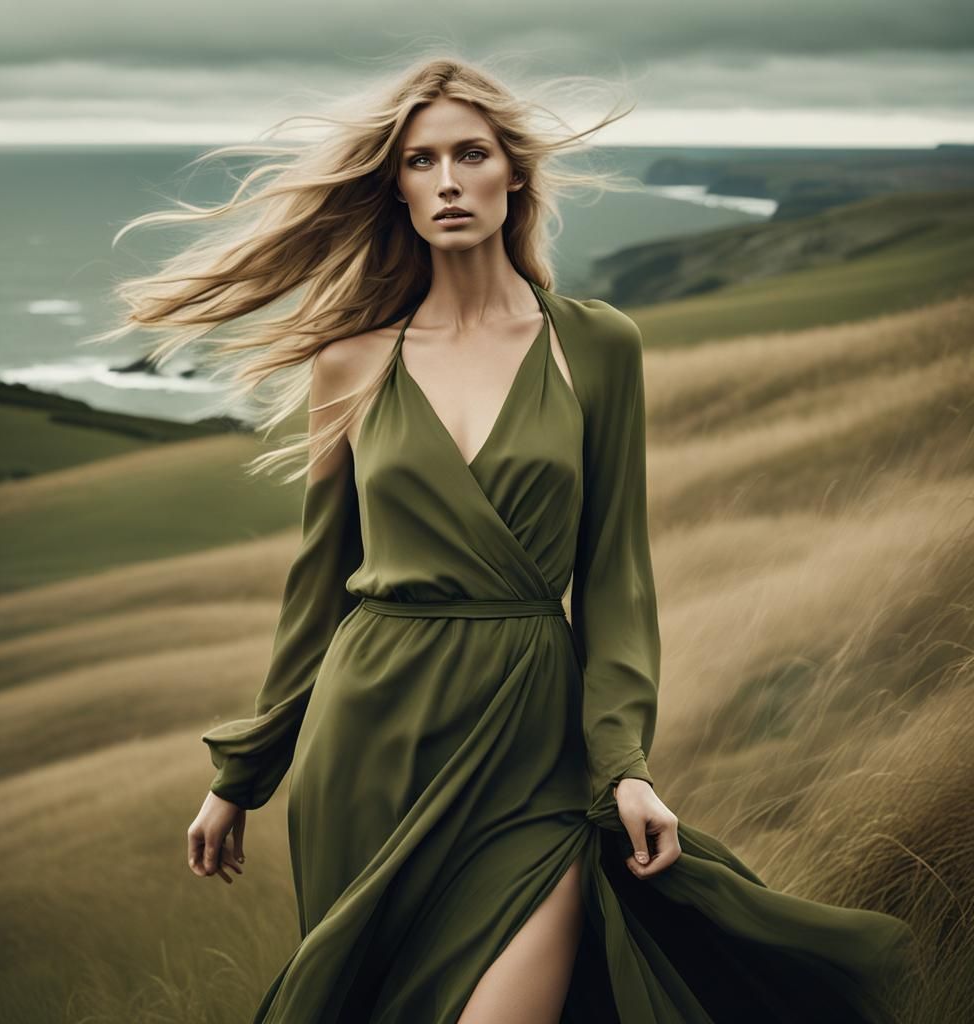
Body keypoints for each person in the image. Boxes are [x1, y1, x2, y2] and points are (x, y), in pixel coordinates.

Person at [105, 56, 917, 1024]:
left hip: (532, 743)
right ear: (395, 187)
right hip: (369, 744)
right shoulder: (349, 364)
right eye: (420, 161)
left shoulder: (596, 345)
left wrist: (624, 765)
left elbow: (616, 577)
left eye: (471, 154)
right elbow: (318, 588)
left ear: (513, 174)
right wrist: (240, 778)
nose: (447, 181)